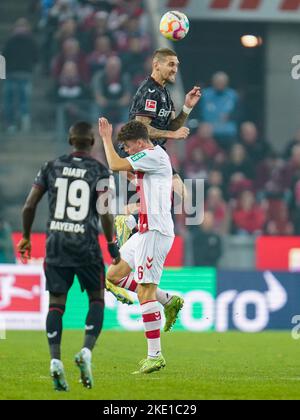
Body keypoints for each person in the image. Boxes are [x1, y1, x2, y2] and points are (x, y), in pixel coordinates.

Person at [17, 121, 125, 392]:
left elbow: (29, 205)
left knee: (56, 305)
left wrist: (27, 236)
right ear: (92, 142)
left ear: (69, 140)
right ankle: (86, 351)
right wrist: (112, 245)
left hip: (56, 245)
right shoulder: (100, 170)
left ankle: (55, 361)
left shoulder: (50, 166)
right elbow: (105, 213)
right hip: (86, 245)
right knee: (97, 298)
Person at [99, 118, 184, 374]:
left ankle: (155, 355)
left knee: (145, 292)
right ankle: (168, 301)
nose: (126, 151)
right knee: (113, 275)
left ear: (139, 142)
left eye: (127, 146)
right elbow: (133, 177)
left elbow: (115, 164)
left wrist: (106, 137)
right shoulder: (150, 158)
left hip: (155, 232)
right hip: (145, 231)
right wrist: (137, 206)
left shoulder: (151, 155)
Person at [116, 47, 201, 242]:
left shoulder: (164, 93)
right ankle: (129, 219)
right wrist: (173, 134)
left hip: (155, 155)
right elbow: (141, 129)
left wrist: (187, 107)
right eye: (171, 64)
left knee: (181, 193)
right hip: (138, 155)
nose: (175, 70)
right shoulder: (149, 91)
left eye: (177, 66)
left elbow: (171, 125)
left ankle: (130, 217)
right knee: (162, 200)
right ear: (156, 65)